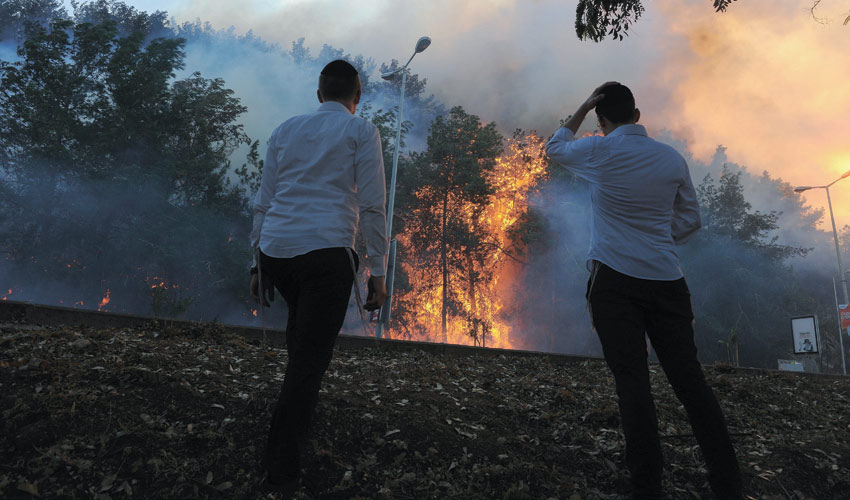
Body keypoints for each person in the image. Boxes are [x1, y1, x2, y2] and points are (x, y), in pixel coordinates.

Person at [545, 82, 743, 500]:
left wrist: (581, 106)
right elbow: (690, 221)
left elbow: (556, 148)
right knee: (690, 382)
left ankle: (647, 487)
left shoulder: (599, 149)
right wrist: (656, 240)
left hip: (615, 283)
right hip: (668, 282)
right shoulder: (671, 158)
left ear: (602, 120)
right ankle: (728, 483)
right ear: (637, 116)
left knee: (633, 384)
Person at [249, 59, 388, 493]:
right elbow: (372, 207)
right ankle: (282, 470)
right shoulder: (361, 131)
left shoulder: (285, 129)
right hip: (326, 254)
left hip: (277, 252)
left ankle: (300, 415)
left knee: (302, 340)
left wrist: (257, 262)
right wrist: (379, 272)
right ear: (357, 97)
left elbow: (263, 201)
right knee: (309, 361)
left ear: (318, 94)